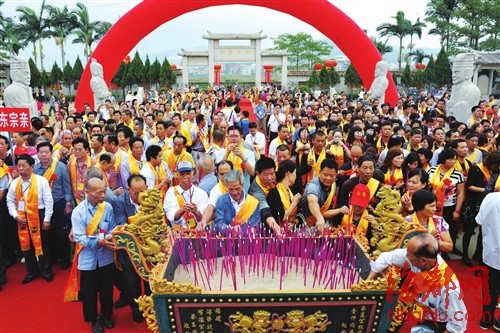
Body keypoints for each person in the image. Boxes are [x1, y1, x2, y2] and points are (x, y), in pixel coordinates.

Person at [366, 233, 466, 333]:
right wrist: (367, 282)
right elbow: (386, 257)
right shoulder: (416, 258)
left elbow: (458, 325)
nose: (405, 255)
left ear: (423, 261)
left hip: (440, 325)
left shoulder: (449, 289)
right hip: (424, 315)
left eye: (408, 254)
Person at [67, 177, 116, 333]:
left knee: (107, 289)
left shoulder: (107, 207)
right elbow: (79, 237)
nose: (103, 195)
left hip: (106, 258)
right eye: (99, 192)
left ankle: (106, 315)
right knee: (89, 292)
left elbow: (113, 227)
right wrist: (98, 242)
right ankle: (93, 319)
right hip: (88, 259)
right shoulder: (78, 212)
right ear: (87, 192)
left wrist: (108, 237)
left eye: (104, 191)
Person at [6, 154, 54, 284]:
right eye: (19, 166)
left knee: (43, 244)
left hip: (39, 215)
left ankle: (46, 270)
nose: (20, 169)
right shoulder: (15, 183)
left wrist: (47, 219)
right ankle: (31, 271)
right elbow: (9, 201)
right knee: (26, 245)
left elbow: (48, 201)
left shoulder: (41, 181)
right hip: (22, 216)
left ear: (32, 166)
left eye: (24, 165)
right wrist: (16, 215)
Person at [113, 174, 149, 323]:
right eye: (136, 192)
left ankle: (150, 307)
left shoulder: (151, 198)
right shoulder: (119, 202)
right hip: (129, 250)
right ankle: (136, 310)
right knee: (131, 283)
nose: (140, 195)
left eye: (142, 191)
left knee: (150, 282)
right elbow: (121, 225)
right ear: (129, 190)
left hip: (148, 248)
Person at [34, 142, 73, 270]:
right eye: (41, 152)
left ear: (51, 153)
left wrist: (68, 204)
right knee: (47, 234)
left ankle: (65, 258)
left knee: (60, 233)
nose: (44, 155)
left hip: (58, 203)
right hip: (42, 205)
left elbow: (67, 187)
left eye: (47, 152)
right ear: (37, 154)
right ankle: (52, 258)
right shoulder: (35, 168)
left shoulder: (61, 167)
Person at [297, 159, 349, 235]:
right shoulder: (313, 186)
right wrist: (319, 218)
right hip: (305, 227)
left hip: (323, 227)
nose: (328, 178)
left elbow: (325, 212)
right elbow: (312, 202)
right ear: (320, 172)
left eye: (332, 176)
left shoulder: (333, 185)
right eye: (325, 175)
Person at [428, 148, 465, 255]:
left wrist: (457, 211)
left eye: (454, 159)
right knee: (433, 226)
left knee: (450, 227)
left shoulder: (458, 174)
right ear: (443, 159)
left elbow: (460, 193)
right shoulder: (432, 170)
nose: (453, 162)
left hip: (449, 206)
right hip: (432, 205)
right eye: (450, 159)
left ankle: (449, 247)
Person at [475, 191, 500, 331]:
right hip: (492, 253)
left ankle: (485, 319)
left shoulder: (491, 197)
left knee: (489, 288)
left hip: (492, 253)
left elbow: (479, 221)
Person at [163, 161, 208, 230]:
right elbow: (171, 216)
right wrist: (182, 210)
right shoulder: (171, 192)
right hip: (178, 232)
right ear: (177, 175)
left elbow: (204, 218)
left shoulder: (201, 193)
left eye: (188, 174)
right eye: (182, 174)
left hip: (197, 232)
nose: (186, 177)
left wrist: (195, 212)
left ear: (193, 174)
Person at [214, 170, 260, 235]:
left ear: (243, 185)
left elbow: (255, 225)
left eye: (237, 189)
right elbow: (219, 223)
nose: (234, 193)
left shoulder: (252, 202)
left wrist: (244, 230)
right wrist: (230, 229)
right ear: (227, 186)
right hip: (228, 241)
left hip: (247, 240)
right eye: (231, 189)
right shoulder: (221, 201)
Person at [266, 160, 302, 228]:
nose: (296, 176)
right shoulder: (274, 193)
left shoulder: (292, 191)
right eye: (294, 173)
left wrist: (294, 223)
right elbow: (281, 218)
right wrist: (294, 203)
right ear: (288, 173)